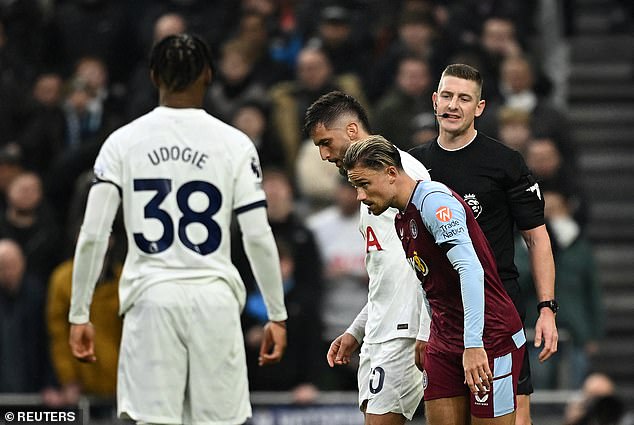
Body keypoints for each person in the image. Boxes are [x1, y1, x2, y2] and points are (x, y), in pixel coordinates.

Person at [68, 34, 288, 425]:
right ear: (208, 75)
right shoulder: (236, 144)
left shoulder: (121, 142)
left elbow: (94, 234)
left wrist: (79, 313)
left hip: (151, 299)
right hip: (215, 299)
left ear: (154, 76)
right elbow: (257, 234)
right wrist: (276, 313)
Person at [408, 63, 558, 425]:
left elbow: (536, 238)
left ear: (480, 107)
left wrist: (547, 308)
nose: (453, 105)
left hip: (496, 310)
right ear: (434, 101)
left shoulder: (505, 162)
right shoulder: (413, 166)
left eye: (464, 98)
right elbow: (407, 251)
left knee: (517, 418)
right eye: (446, 96)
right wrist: (417, 324)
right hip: (440, 317)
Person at [342, 135, 526, 425]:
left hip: (489, 337)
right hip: (445, 338)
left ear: (391, 173)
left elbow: (471, 270)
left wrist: (474, 344)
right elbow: (428, 284)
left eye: (364, 185)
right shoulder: (401, 218)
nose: (360, 197)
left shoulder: (435, 204)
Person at [304, 91, 431, 425]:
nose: (323, 154)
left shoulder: (403, 172)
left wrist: (426, 329)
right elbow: (386, 275)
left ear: (350, 131)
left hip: (404, 330)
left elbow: (433, 260)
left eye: (326, 142)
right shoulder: (365, 189)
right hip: (380, 331)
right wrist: (357, 331)